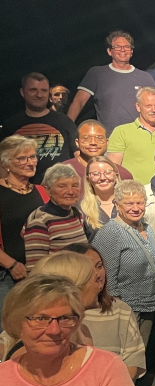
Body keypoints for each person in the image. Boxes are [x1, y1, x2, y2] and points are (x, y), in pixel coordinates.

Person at [0, 274, 141, 386]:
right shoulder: (4, 379)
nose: (54, 330)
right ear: (16, 322)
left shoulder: (106, 368)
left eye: (64, 318)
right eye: (40, 319)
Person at [46, 246, 146, 382]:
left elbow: (133, 360)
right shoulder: (52, 325)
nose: (97, 276)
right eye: (89, 272)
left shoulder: (119, 310)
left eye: (99, 266)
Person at [88, 178, 155, 353]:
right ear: (117, 205)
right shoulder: (110, 232)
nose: (135, 208)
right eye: (129, 203)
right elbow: (105, 276)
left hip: (151, 305)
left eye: (140, 203)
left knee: (143, 356)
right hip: (125, 309)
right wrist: (115, 310)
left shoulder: (147, 228)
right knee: (126, 356)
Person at [67, 31, 155, 132]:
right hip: (109, 137)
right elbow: (79, 102)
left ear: (131, 51)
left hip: (140, 135)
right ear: (109, 51)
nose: (123, 50)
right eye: (117, 47)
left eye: (127, 47)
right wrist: (67, 130)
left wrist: (154, 132)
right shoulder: (97, 73)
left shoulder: (145, 77)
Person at [1, 73, 77, 183]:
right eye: (33, 90)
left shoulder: (65, 121)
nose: (39, 95)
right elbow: (2, 162)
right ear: (22, 92)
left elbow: (78, 156)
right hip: (23, 189)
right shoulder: (11, 125)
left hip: (60, 187)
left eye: (44, 91)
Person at [0, 137, 47, 307]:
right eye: (21, 158)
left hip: (42, 274)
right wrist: (12, 265)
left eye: (32, 157)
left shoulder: (42, 191)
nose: (30, 163)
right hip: (7, 276)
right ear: (5, 163)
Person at [107, 87, 155, 183]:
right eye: (148, 106)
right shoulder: (121, 132)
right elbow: (113, 168)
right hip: (133, 190)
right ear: (138, 107)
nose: (153, 110)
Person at [24, 164, 88, 269]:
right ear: (48, 190)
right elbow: (35, 269)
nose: (70, 191)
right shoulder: (40, 221)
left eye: (75, 185)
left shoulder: (76, 214)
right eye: (62, 186)